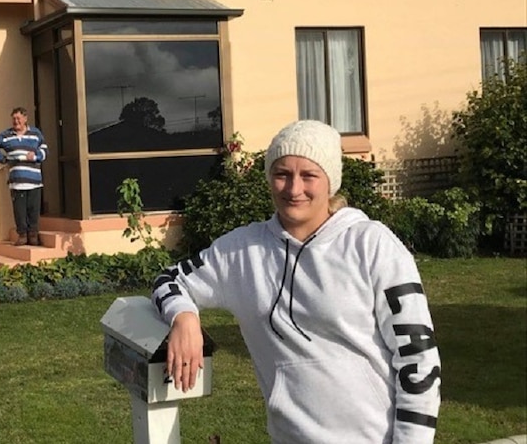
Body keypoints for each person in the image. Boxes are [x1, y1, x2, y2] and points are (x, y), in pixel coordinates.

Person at [152, 120, 441, 443]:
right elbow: (168, 279)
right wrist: (183, 317)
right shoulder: (242, 251)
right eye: (282, 174)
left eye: (309, 175)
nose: (293, 189)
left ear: (330, 181)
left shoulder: (372, 245)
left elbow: (418, 359)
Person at [0, 107, 48, 246]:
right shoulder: (6, 135)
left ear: (25, 119)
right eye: (14, 119)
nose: (16, 122)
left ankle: (33, 235)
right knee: (19, 210)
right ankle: (22, 235)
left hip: (34, 181)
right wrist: (3, 159)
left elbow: (45, 150)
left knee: (33, 209)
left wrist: (36, 156)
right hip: (17, 180)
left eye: (18, 119)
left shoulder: (35, 134)